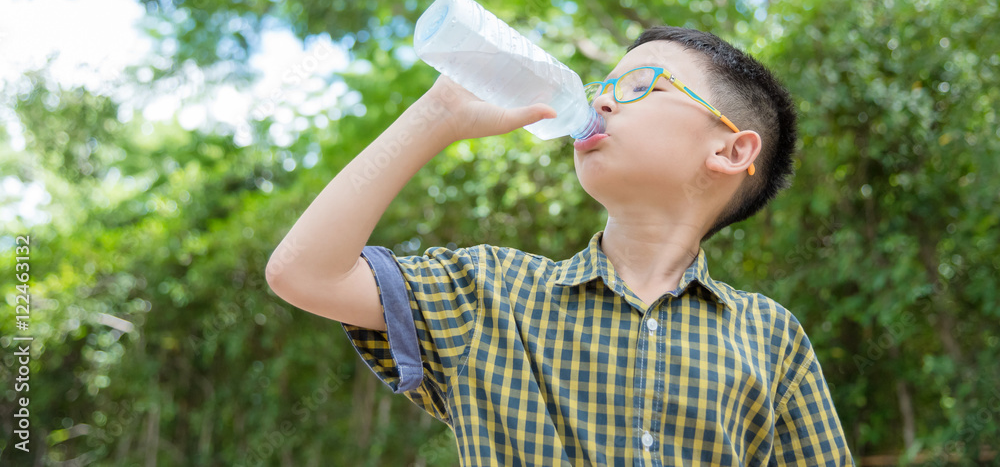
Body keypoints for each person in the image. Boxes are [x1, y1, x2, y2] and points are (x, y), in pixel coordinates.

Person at [266, 25, 855, 466]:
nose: (600, 100)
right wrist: (438, 115)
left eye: (638, 85)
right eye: (602, 86)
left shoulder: (771, 336)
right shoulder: (488, 292)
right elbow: (305, 273)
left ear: (731, 151)